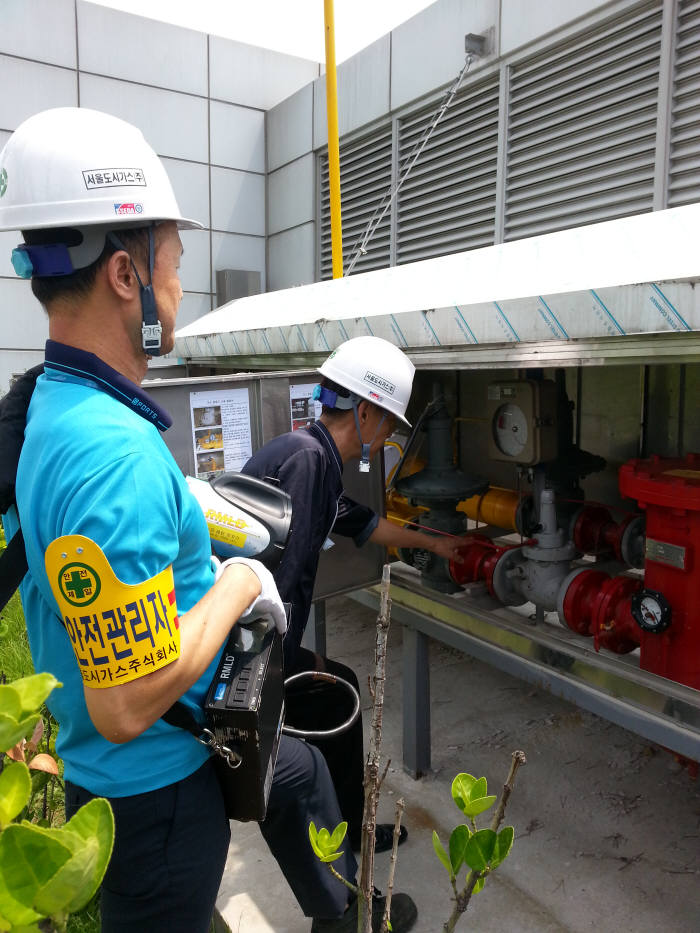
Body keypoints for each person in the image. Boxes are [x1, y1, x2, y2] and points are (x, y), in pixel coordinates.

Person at [0, 108, 417, 933]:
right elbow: (125, 702)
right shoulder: (111, 455)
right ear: (126, 273)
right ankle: (343, 905)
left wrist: (185, 508)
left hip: (123, 783)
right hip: (154, 787)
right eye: (174, 264)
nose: (180, 287)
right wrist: (234, 584)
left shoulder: (65, 409)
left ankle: (335, 902)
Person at [242, 335, 465, 852]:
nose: (388, 436)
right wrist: (282, 666)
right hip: (255, 652)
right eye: (388, 422)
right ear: (365, 412)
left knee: (338, 686)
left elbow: (360, 523)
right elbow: (282, 576)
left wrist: (432, 543)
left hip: (263, 641)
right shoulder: (308, 461)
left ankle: (348, 829)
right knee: (335, 697)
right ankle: (340, 845)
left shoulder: (312, 455)